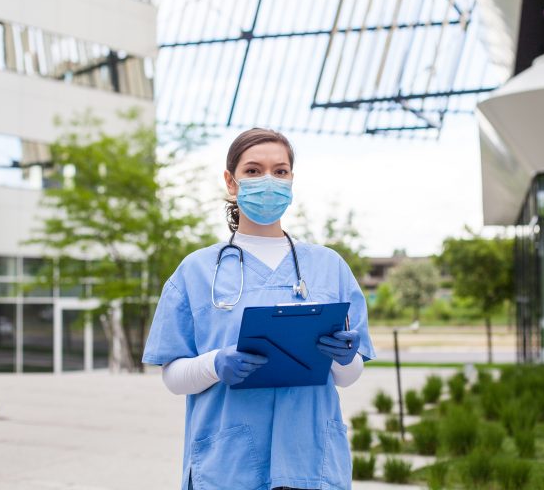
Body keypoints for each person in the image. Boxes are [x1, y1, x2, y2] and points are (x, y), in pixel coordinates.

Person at [141, 127, 375, 490]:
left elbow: (348, 376)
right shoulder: (197, 271)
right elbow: (173, 376)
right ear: (231, 182)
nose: (268, 180)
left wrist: (344, 357)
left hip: (311, 462)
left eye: (279, 171)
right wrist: (215, 364)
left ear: (291, 180)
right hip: (228, 464)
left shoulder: (329, 267)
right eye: (253, 170)